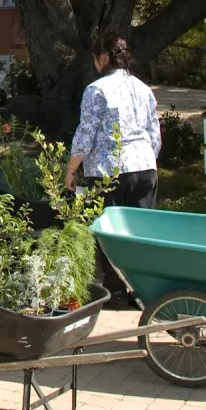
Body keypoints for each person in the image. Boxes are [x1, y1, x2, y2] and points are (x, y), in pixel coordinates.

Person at [64, 32, 160, 309]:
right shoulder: (143, 88)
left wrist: (72, 169)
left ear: (104, 58)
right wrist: (148, 159)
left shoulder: (97, 90)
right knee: (138, 232)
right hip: (144, 166)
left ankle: (117, 291)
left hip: (109, 169)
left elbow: (86, 134)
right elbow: (154, 132)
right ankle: (140, 289)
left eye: (96, 58)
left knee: (109, 233)